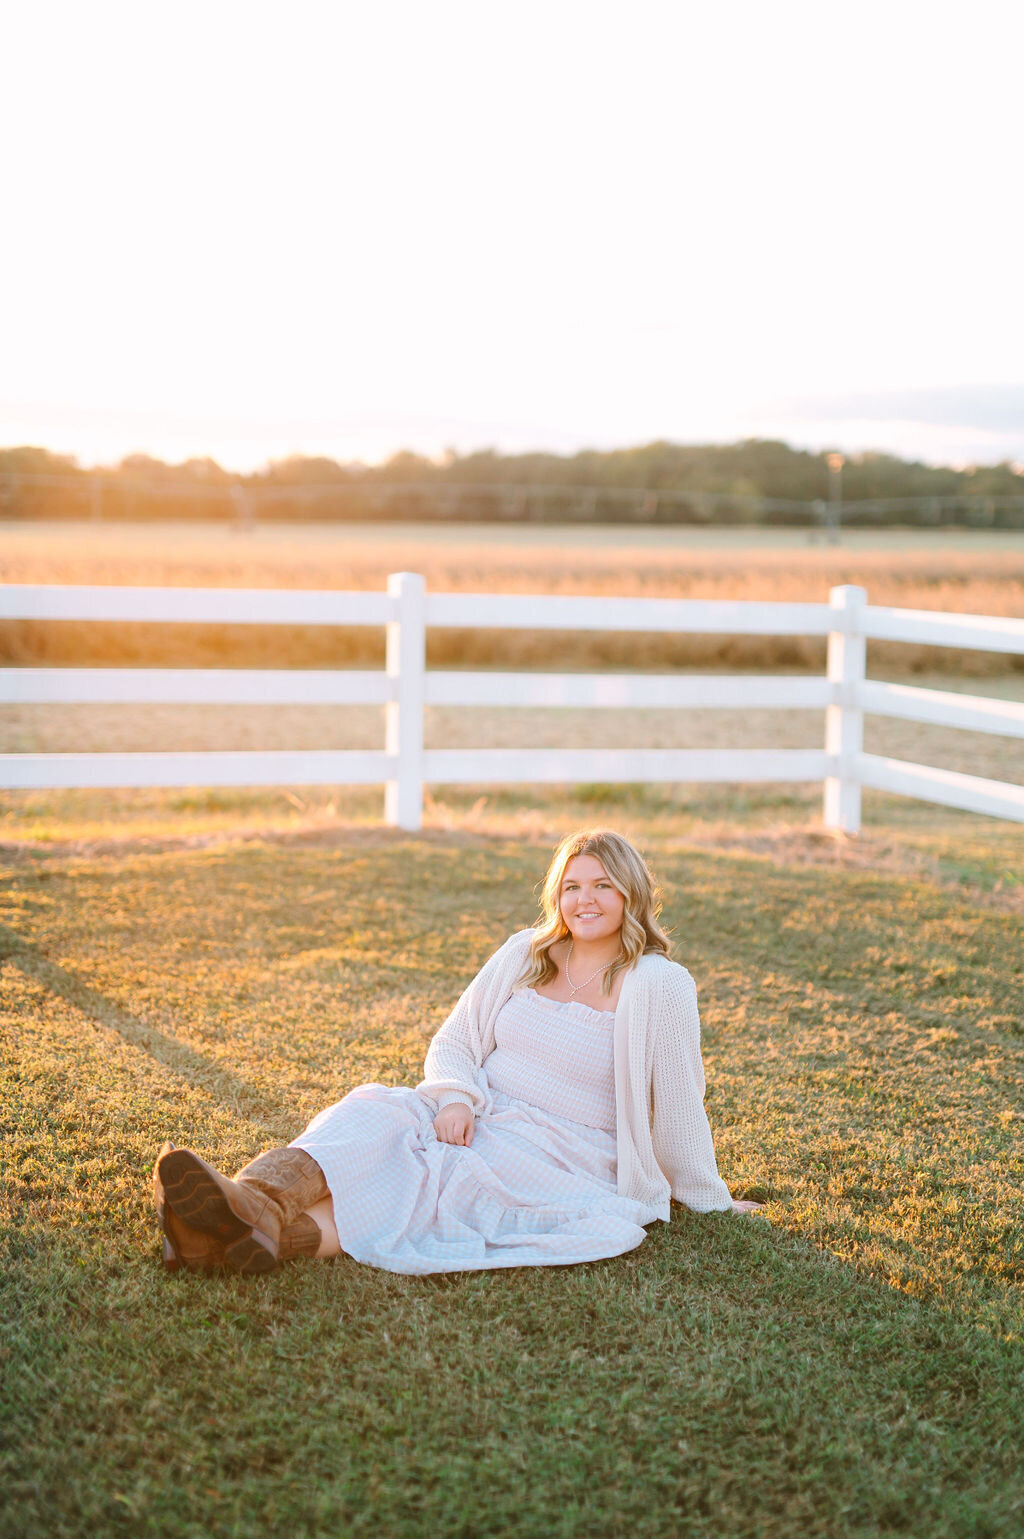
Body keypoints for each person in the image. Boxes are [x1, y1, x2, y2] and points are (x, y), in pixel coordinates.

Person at [153, 828, 760, 1277]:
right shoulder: (527, 952)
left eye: (603, 885)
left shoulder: (660, 984)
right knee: (374, 1117)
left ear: (632, 893)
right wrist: (454, 1098)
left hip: (563, 1148)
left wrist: (708, 1198)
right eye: (571, 886)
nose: (586, 900)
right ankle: (252, 1201)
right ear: (556, 897)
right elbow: (455, 1040)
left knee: (439, 1187)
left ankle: (218, 1241)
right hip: (477, 1108)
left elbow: (681, 1105)